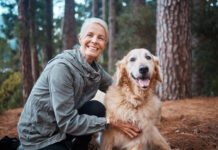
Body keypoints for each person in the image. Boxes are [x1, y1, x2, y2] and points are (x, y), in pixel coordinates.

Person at [17, 17, 141, 150]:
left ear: (104, 44)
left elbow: (118, 88)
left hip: (61, 128)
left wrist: (140, 94)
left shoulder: (95, 70)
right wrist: (110, 122)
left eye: (100, 38)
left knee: (96, 108)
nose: (94, 41)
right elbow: (67, 122)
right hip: (39, 134)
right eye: (90, 35)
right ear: (80, 38)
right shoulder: (62, 68)